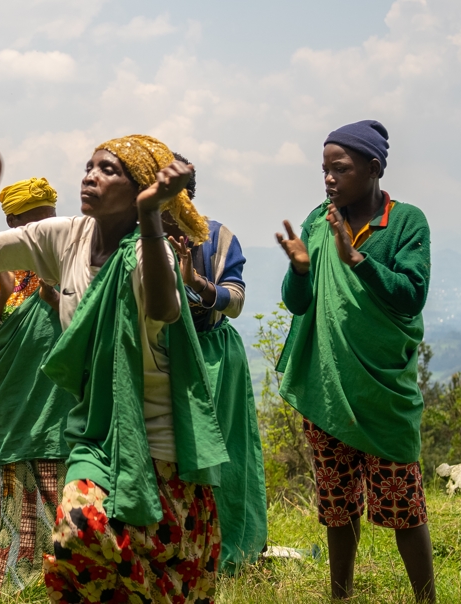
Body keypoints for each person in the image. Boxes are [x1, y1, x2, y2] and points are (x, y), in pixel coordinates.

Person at [0, 128, 229, 604]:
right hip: (95, 430)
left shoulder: (150, 249)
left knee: (163, 553)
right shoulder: (66, 237)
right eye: (88, 166)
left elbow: (165, 308)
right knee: (77, 536)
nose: (90, 177)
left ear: (139, 188)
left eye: (108, 170)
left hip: (155, 432)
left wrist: (149, 216)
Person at [275, 120, 435, 602]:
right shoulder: (318, 221)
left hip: (382, 389)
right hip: (328, 385)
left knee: (404, 506)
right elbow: (298, 304)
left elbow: (412, 295)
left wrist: (359, 261)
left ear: (373, 168)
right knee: (337, 507)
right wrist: (300, 269)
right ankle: (339, 595)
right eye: (324, 169)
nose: (328, 179)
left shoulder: (405, 222)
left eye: (339, 169)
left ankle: (427, 598)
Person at [0, 177, 74, 597]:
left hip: (61, 405)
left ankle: (65, 579)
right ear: (12, 223)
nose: (47, 229)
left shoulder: (69, 257)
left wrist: (53, 295)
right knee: (14, 504)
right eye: (37, 222)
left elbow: (88, 318)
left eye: (51, 218)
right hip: (12, 404)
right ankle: (15, 582)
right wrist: (2, 294)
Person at [162, 153, 268, 574]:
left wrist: (196, 284)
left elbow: (236, 299)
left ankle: (227, 549)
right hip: (162, 357)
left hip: (213, 357)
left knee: (224, 454)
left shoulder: (217, 237)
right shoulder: (135, 238)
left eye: (179, 189)